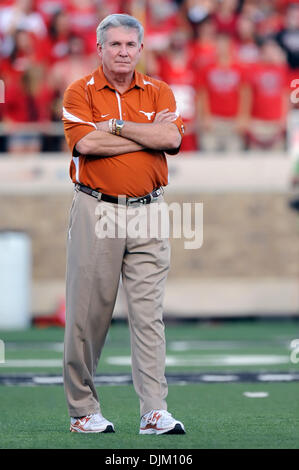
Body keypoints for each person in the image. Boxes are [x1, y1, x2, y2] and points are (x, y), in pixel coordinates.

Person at [62, 13, 186, 435]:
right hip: (98, 208)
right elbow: (86, 143)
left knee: (149, 314)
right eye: (114, 44)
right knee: (88, 313)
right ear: (99, 48)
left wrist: (116, 126)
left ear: (140, 49)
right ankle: (83, 410)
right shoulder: (79, 91)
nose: (122, 52)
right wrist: (144, 134)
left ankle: (154, 410)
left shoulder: (159, 90)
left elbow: (171, 140)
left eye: (130, 45)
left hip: (150, 209)